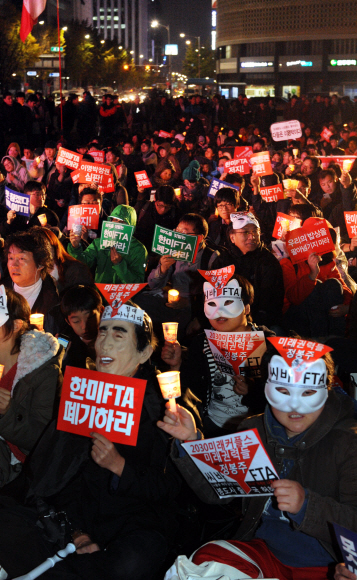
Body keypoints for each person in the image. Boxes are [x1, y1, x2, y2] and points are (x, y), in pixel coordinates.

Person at [0, 300, 180, 580]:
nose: (105, 344)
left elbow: (172, 491)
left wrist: (120, 467)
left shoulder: (166, 409)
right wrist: (76, 531)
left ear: (144, 352)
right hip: (72, 516)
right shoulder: (82, 393)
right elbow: (54, 474)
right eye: (102, 333)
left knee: (130, 562)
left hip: (133, 521)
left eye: (118, 335)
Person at [159, 340, 357, 579]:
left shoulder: (349, 443)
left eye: (307, 392)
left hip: (326, 565)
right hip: (264, 554)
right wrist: (190, 442)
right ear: (267, 387)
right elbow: (218, 492)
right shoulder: (252, 430)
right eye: (283, 391)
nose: (295, 405)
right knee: (206, 561)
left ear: (328, 390)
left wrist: (307, 505)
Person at [162, 272, 274, 437]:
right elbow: (191, 388)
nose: (220, 311)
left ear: (246, 308)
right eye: (212, 303)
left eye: (228, 302)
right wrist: (177, 365)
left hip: (258, 428)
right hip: (211, 425)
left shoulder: (269, 344)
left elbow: (280, 394)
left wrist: (251, 391)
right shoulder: (202, 344)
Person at [0, 285, 62, 487]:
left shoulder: (44, 370)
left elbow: (40, 438)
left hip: (18, 465)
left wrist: (7, 411)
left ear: (16, 325)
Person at [215, 212, 284, 329]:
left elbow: (272, 302)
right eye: (246, 232)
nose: (252, 237)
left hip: (260, 323)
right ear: (232, 237)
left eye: (255, 232)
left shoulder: (268, 261)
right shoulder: (222, 261)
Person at [281, 227, 353, 338]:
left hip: (324, 316)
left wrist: (347, 307)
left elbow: (342, 288)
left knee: (333, 283)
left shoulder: (327, 262)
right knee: (316, 285)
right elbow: (294, 298)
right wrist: (312, 274)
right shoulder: (289, 264)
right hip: (298, 317)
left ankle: (336, 339)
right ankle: (319, 339)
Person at [67, 204, 147, 284]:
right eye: (114, 219)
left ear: (131, 225)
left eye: (122, 221)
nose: (117, 224)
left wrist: (120, 264)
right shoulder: (99, 243)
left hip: (124, 295)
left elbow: (138, 282)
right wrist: (75, 247)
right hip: (101, 293)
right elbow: (83, 264)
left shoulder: (138, 249)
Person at [3, 231, 58, 316]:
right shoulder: (2, 291)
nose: (14, 265)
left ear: (40, 264)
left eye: (22, 258)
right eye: (11, 258)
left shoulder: (54, 301)